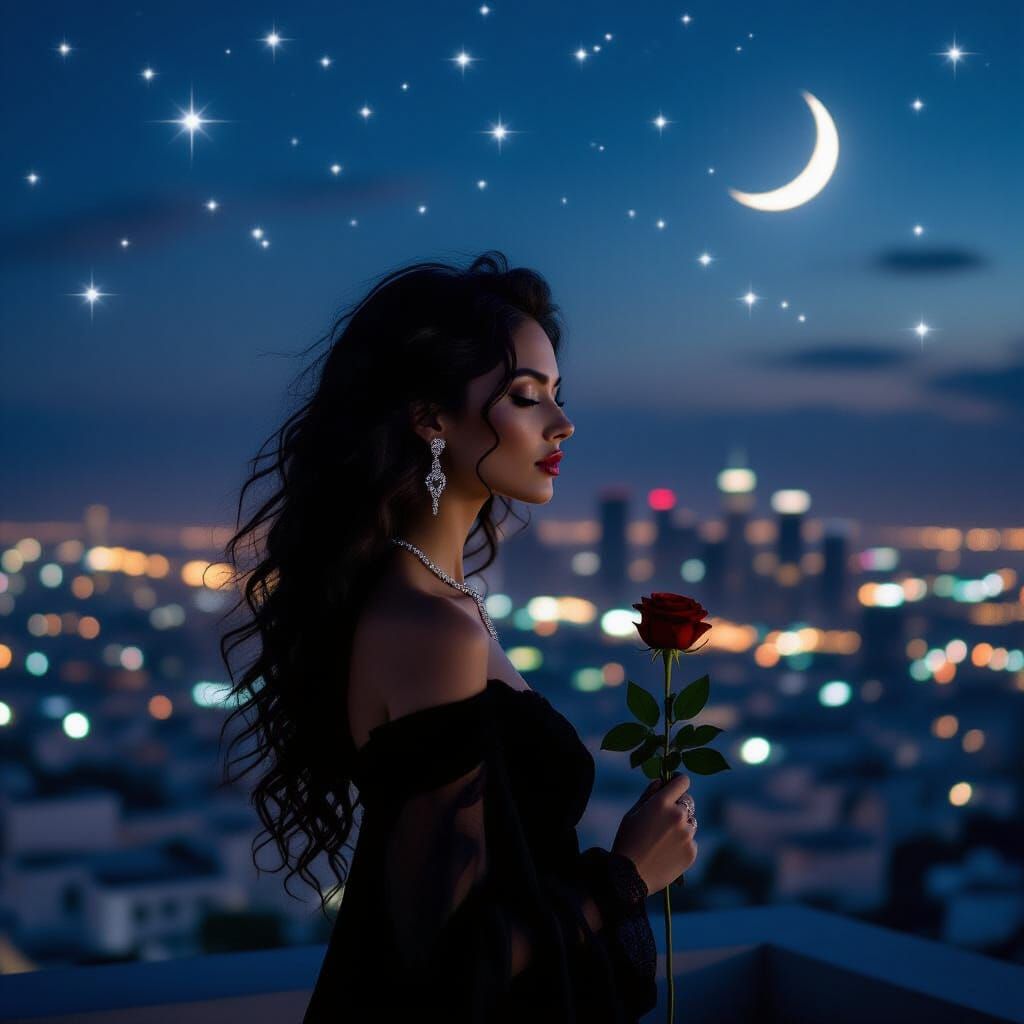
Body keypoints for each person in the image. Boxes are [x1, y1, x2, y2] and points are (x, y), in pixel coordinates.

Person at [217, 251, 699, 1022]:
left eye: (557, 395)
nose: (562, 422)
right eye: (525, 396)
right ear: (430, 418)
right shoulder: (431, 626)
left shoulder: (437, 599)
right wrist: (627, 875)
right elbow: (450, 972)